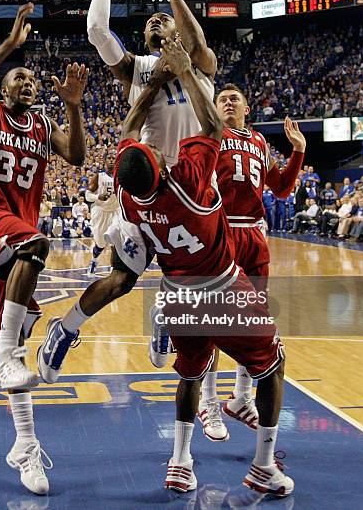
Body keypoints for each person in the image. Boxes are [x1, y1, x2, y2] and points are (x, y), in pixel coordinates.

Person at [113, 40, 292, 496]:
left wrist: (148, 89)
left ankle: (179, 461)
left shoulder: (130, 198)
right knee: (272, 361)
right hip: (221, 282)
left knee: (189, 372)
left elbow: (129, 139)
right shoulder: (189, 180)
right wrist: (184, 72)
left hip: (177, 289)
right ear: (157, 163)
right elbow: (209, 124)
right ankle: (263, 466)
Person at [37, 0, 217, 378]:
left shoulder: (201, 65)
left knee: (190, 278)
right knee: (121, 279)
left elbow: (197, 45)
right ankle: (65, 330)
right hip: (148, 186)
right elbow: (98, 31)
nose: (155, 20)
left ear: (178, 28)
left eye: (164, 19)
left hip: (192, 185)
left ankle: (163, 318)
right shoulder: (139, 69)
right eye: (150, 21)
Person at [0, 4, 88, 495]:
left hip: (9, 246)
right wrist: (9, 47)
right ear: (4, 88)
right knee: (36, 241)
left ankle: (25, 447)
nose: (29, 84)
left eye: (33, 80)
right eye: (19, 79)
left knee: (10, 351)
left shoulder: (41, 125)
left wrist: (73, 104)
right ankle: (4, 358)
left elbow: (75, 155)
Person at [195, 85, 305, 442]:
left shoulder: (258, 142)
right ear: (213, 108)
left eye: (234, 98)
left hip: (254, 237)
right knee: (215, 321)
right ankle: (208, 401)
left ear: (246, 106)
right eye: (222, 99)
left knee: (254, 320)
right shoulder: (210, 134)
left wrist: (298, 152)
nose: (228, 102)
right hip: (221, 231)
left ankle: (241, 397)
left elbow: (282, 188)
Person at [85, 153, 119, 275]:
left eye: (113, 158)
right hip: (101, 211)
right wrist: (98, 196)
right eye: (109, 158)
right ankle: (94, 261)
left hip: (116, 211)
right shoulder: (98, 176)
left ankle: (114, 266)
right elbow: (87, 196)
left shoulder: (121, 176)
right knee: (100, 243)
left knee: (116, 239)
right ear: (104, 161)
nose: (111, 160)